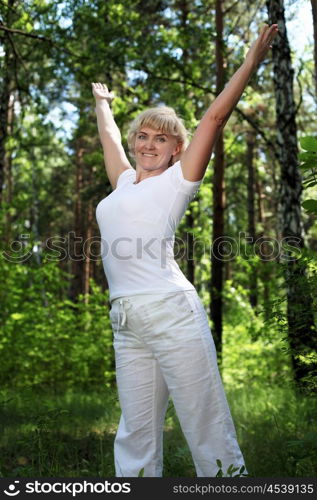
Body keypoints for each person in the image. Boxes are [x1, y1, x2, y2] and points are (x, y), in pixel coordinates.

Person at [93, 24, 279, 477]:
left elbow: (214, 118)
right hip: (126, 319)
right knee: (135, 432)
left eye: (161, 139)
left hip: (172, 311)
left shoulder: (179, 183)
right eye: (144, 136)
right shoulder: (122, 183)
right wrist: (103, 104)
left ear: (177, 149)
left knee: (205, 423)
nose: (148, 145)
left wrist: (251, 61)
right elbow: (110, 140)